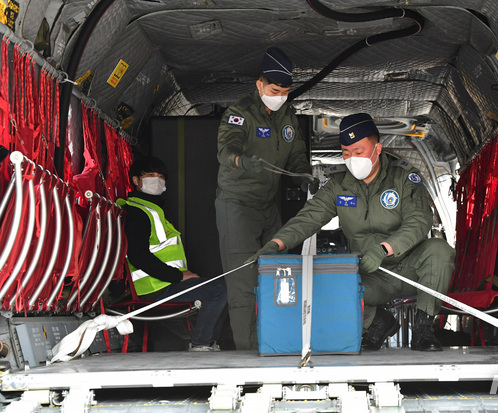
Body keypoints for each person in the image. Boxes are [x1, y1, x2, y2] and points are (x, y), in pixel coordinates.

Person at [247, 113, 456, 351]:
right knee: (325, 285)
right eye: (346, 153)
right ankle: (379, 322)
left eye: (358, 152)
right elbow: (308, 218)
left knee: (439, 251)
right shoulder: (338, 183)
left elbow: (419, 221)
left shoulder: (404, 178)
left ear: (377, 148)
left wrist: (384, 249)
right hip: (370, 271)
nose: (352, 159)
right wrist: (276, 244)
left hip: (410, 268)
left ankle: (423, 330)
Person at [215, 47, 317, 350]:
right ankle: (247, 350)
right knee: (242, 281)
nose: (280, 96)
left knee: (282, 272)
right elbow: (226, 150)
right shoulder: (240, 113)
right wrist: (241, 161)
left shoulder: (287, 116)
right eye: (274, 90)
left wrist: (303, 175)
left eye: (285, 91)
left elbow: (297, 154)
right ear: (260, 85)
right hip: (237, 205)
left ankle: (280, 343)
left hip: (268, 205)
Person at [117, 156, 228, 352]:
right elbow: (138, 256)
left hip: (167, 284)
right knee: (218, 290)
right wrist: (178, 276)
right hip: (154, 289)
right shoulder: (137, 213)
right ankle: (201, 344)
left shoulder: (154, 210)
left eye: (161, 176)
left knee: (220, 287)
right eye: (150, 175)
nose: (157, 180)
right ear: (135, 180)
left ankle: (208, 343)